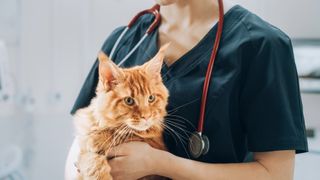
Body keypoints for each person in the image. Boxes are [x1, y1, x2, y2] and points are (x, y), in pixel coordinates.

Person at [65, 0, 308, 179]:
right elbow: (79, 146)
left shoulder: (262, 45)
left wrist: (160, 163)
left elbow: (276, 175)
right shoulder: (124, 40)